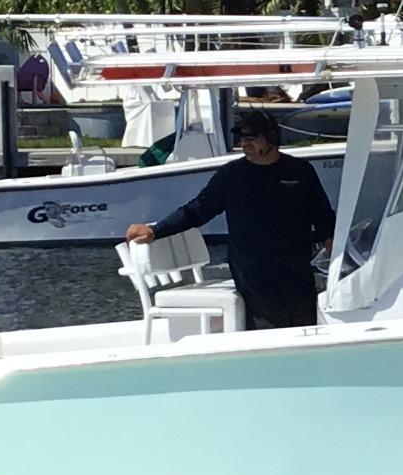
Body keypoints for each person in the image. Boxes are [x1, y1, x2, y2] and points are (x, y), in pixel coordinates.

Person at [125, 108, 337, 328]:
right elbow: (197, 210)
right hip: (253, 271)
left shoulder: (301, 171)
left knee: (304, 320)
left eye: (253, 138)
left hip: (297, 268)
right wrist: (156, 231)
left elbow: (321, 212)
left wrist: (330, 237)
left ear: (272, 139)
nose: (245, 143)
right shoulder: (231, 175)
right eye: (243, 138)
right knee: (268, 319)